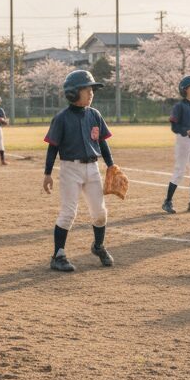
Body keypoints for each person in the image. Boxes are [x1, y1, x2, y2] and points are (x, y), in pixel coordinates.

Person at [41, 70, 116, 272]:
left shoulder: (95, 115)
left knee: (100, 213)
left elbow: (102, 143)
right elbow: (53, 146)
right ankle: (58, 255)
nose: (91, 93)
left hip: (92, 168)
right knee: (68, 212)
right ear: (73, 93)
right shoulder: (62, 118)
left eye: (92, 89)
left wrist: (111, 166)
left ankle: (98, 246)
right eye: (86, 89)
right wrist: (47, 174)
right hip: (70, 169)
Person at [163, 75, 190, 214]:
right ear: (185, 90)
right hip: (183, 141)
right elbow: (174, 127)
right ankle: (167, 202)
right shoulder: (179, 106)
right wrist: (188, 131)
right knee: (179, 171)